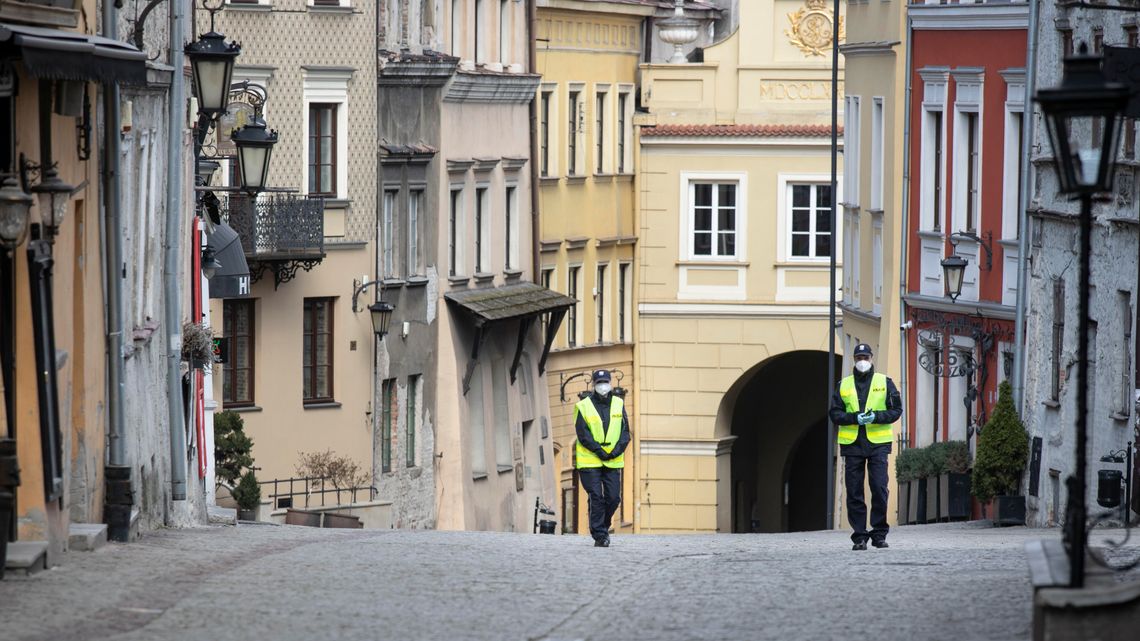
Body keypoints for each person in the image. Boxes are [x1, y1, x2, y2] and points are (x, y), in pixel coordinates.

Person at [829, 343, 902, 550]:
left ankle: (879, 534)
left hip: (878, 443)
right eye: (859, 357)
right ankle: (860, 536)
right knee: (854, 491)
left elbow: (896, 410)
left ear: (871, 359)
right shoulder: (843, 384)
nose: (862, 361)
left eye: (866, 357)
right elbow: (834, 413)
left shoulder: (884, 382)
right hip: (853, 443)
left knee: (879, 487)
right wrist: (854, 418)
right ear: (854, 359)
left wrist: (875, 417)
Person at [574, 369, 631, 547]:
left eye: (605, 382)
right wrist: (599, 450)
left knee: (614, 498)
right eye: (599, 383)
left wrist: (615, 451)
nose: (603, 386)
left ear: (610, 383)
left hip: (612, 459)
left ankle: (602, 525)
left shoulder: (618, 403)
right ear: (593, 385)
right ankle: (600, 535)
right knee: (597, 496)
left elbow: (625, 432)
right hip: (590, 459)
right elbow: (583, 434)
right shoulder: (583, 406)